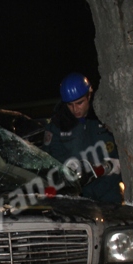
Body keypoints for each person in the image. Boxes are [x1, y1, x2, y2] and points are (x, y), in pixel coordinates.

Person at [42, 73, 123, 204]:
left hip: (109, 192)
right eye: (70, 104)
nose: (75, 109)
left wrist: (113, 166)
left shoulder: (106, 118)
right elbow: (49, 161)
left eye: (79, 103)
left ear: (89, 96)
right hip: (77, 196)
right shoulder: (58, 125)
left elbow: (124, 154)